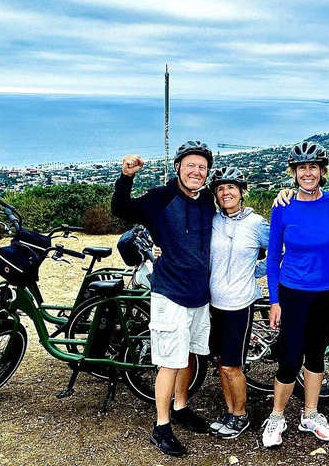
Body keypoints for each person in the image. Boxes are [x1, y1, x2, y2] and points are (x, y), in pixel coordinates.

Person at [111, 140, 215, 457]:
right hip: (170, 292)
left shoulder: (208, 200)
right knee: (169, 362)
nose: (196, 171)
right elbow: (121, 209)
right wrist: (126, 177)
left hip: (200, 292)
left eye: (202, 167)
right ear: (178, 168)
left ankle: (181, 406)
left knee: (189, 356)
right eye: (190, 165)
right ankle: (162, 425)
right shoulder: (161, 198)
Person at [261, 141, 329, 449]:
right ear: (294, 173)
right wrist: (274, 300)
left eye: (313, 167)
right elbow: (271, 257)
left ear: (322, 172)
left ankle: (310, 415)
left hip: (328, 291)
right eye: (301, 168)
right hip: (293, 291)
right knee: (289, 356)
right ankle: (277, 416)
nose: (307, 173)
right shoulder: (283, 206)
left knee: (317, 353)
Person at [206, 166, 270, 440]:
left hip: (240, 304)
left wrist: (254, 271)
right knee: (221, 362)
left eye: (231, 187)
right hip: (214, 302)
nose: (226, 192)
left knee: (232, 364)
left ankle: (241, 415)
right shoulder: (214, 221)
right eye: (220, 188)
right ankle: (230, 411)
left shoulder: (256, 223)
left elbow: (280, 251)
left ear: (242, 192)